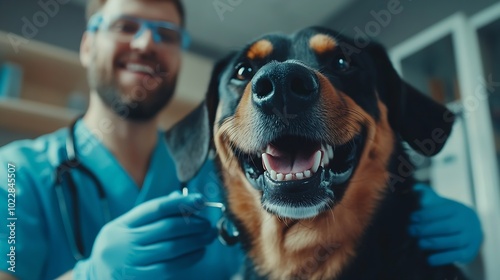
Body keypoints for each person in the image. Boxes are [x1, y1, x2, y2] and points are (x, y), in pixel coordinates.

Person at [0, 0, 483, 279]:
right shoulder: (13, 175)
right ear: (87, 44)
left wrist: (401, 203)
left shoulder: (221, 185)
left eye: (165, 33)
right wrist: (93, 276)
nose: (146, 44)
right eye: (126, 26)